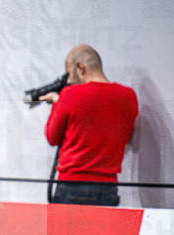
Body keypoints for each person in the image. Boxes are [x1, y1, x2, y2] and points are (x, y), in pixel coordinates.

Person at [42, 44, 138, 206]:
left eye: (69, 74)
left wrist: (57, 103)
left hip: (71, 186)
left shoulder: (70, 94)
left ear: (81, 68)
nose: (69, 81)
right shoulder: (128, 96)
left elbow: (52, 137)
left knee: (66, 232)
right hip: (108, 187)